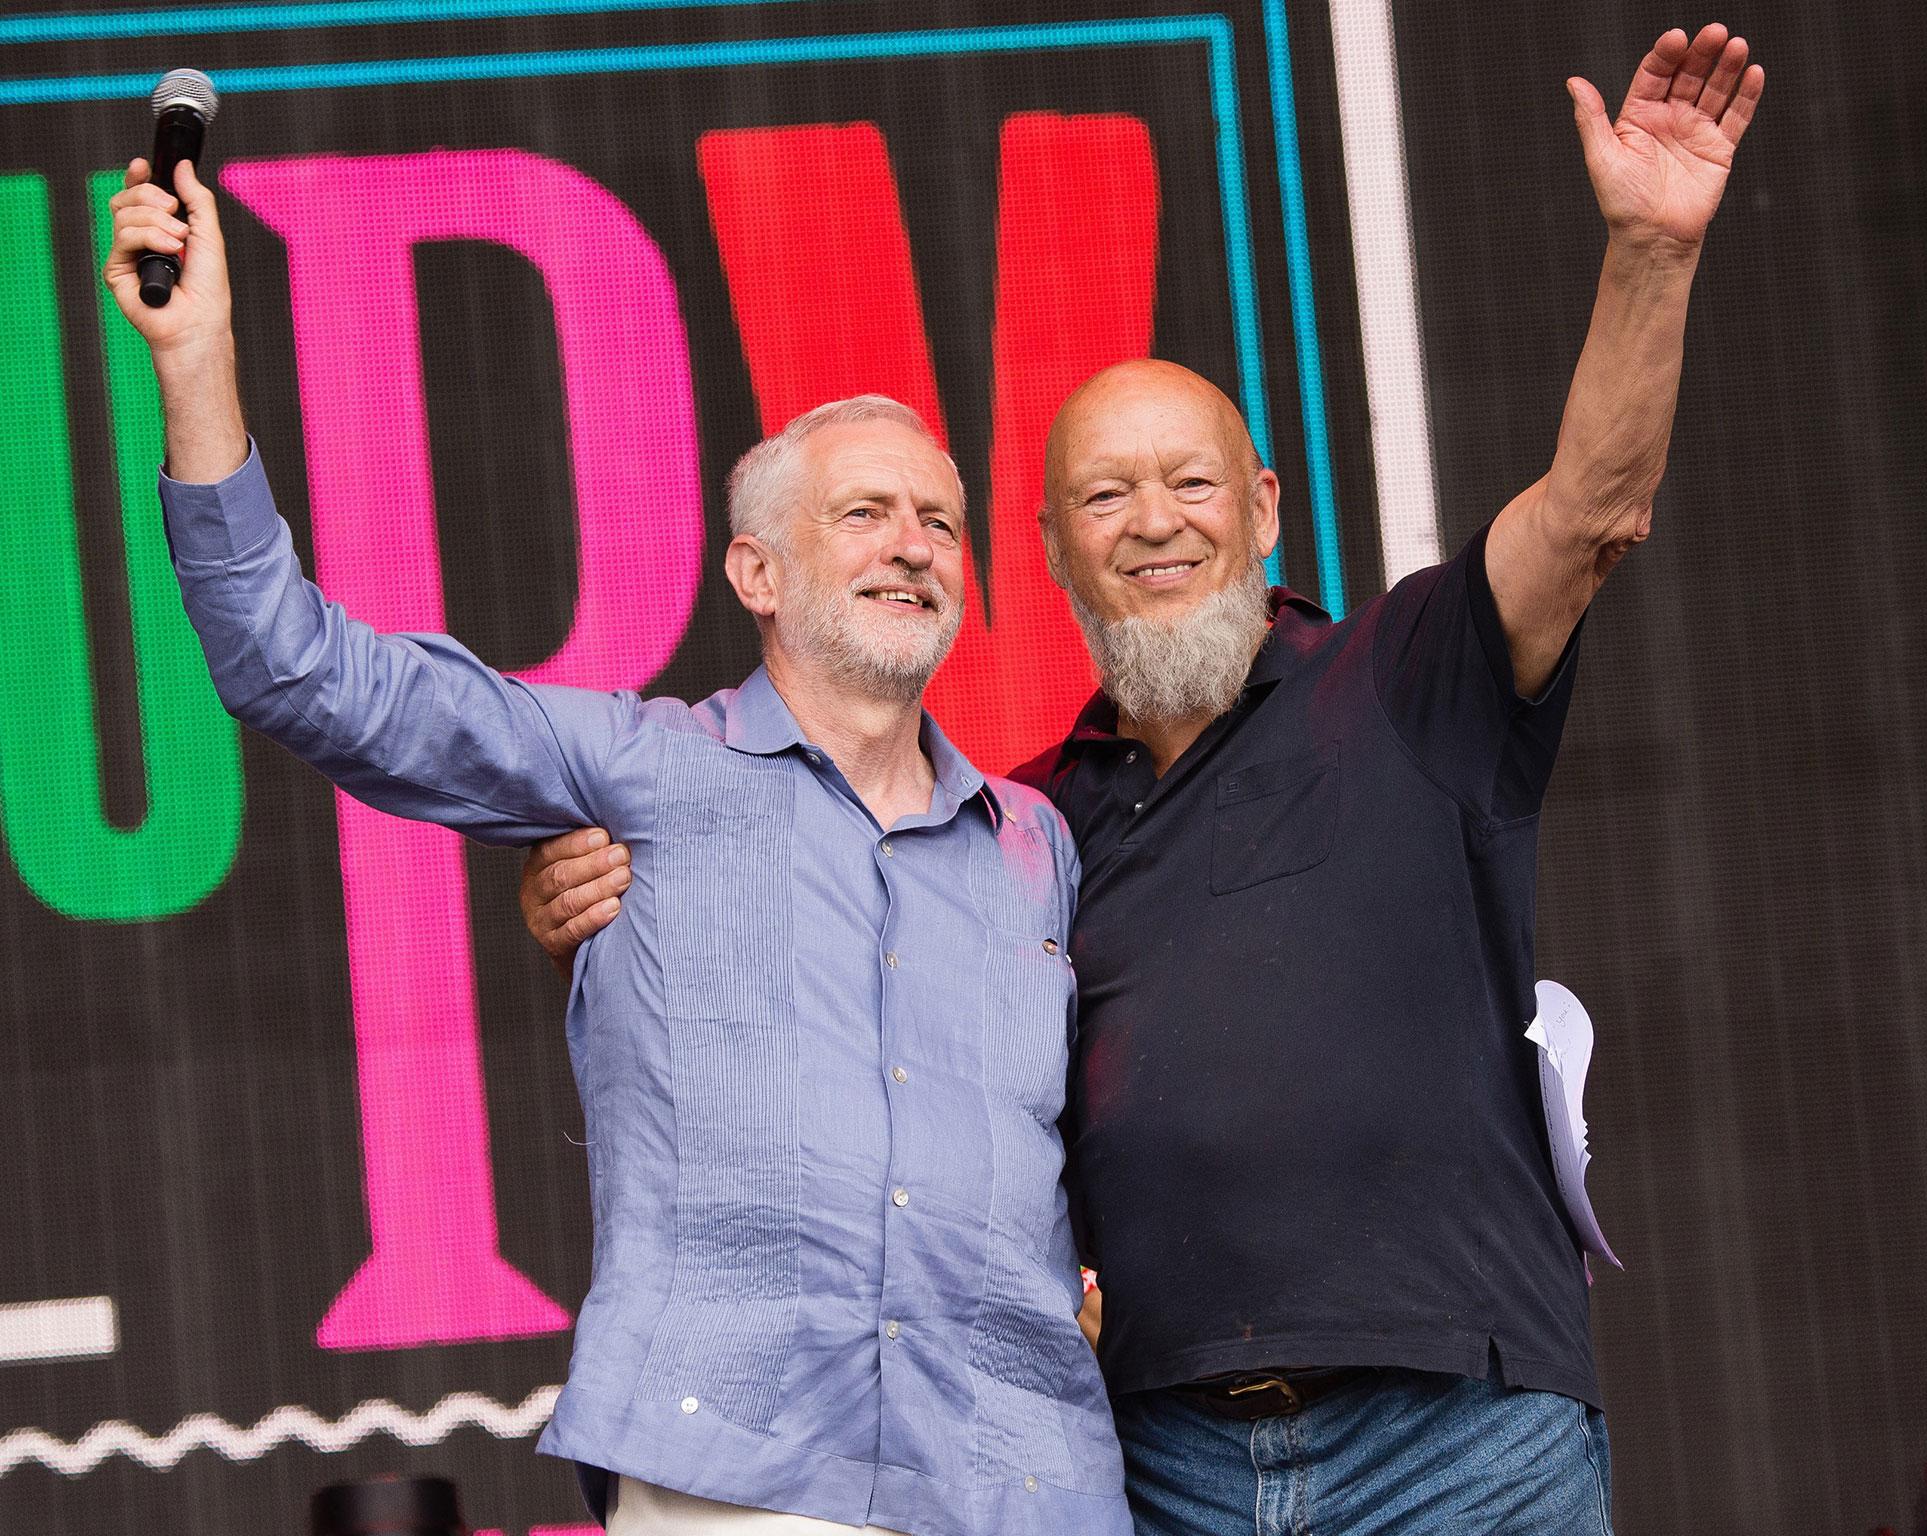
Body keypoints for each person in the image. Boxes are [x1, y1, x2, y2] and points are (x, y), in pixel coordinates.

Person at [525, 25, 1765, 1533]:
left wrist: (1649, 253)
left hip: (1454, 1435)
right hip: (1163, 1461)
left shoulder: (1413, 675)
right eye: (1105, 495)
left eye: (1191, 483)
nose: (1154, 522)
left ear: (1264, 512)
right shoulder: (1025, 822)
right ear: (1047, 556)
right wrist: (621, 876)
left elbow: (1590, 510)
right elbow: (828, 942)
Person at [103, 164, 1129, 1536]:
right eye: (865, 514)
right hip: (743, 1474)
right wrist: (199, 358)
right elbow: (295, 667)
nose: (913, 547)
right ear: (757, 574)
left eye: (939, 520)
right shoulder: (643, 772)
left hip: (1021, 1478)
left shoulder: (1040, 847)